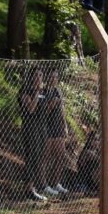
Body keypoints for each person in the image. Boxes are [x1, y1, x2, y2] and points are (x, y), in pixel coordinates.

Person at [19, 68, 50, 201]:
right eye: (36, 75)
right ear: (31, 77)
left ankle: (34, 188)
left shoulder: (44, 91)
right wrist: (36, 94)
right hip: (30, 128)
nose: (39, 78)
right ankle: (29, 189)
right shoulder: (25, 90)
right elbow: (30, 109)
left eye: (41, 75)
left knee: (38, 158)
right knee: (31, 157)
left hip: (42, 128)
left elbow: (46, 110)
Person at [40, 69, 70, 197]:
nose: (53, 79)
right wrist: (51, 104)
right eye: (51, 77)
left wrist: (65, 125)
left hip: (58, 127)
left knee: (60, 155)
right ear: (47, 78)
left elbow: (62, 109)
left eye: (56, 77)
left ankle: (56, 183)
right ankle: (44, 185)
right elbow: (43, 112)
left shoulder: (58, 91)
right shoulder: (43, 92)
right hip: (47, 127)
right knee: (45, 157)